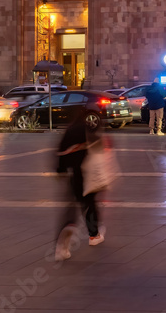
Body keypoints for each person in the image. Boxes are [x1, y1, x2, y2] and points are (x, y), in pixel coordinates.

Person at [55, 106, 104, 261]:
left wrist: (61, 170)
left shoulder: (69, 131)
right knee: (89, 204)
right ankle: (94, 234)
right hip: (88, 174)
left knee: (72, 207)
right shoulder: (86, 129)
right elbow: (98, 149)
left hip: (75, 175)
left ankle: (66, 233)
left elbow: (61, 153)